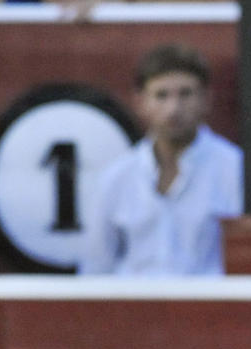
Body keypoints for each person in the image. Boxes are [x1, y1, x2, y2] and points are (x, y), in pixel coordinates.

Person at [78, 45, 241, 277]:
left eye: (185, 94)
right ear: (141, 102)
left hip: (209, 307)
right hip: (132, 306)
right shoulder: (117, 176)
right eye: (161, 95)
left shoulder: (234, 169)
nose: (173, 109)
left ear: (206, 99)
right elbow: (95, 266)